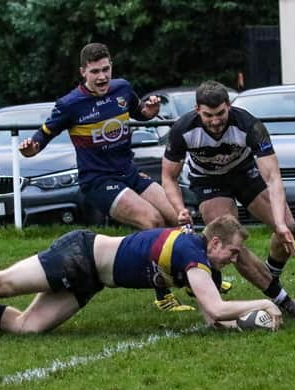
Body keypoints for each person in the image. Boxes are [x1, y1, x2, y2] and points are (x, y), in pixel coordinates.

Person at [19, 42, 190, 312]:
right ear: (83, 73)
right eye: (95, 71)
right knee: (152, 220)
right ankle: (162, 294)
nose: (102, 77)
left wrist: (150, 112)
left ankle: (195, 276)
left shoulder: (122, 88)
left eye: (106, 69)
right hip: (98, 181)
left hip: (129, 172)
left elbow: (139, 113)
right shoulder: (69, 104)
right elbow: (42, 137)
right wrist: (31, 149)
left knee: (178, 216)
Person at [0, 215, 282, 333]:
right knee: (0, 284)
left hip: (93, 280)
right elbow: (216, 308)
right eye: (233, 253)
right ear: (215, 242)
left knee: (27, 328)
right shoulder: (191, 253)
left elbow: (214, 320)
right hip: (79, 255)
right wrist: (264, 305)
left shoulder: (204, 268)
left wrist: (253, 325)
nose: (234, 260)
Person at [161, 80, 295, 318]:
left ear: (228, 106)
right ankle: (283, 300)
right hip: (209, 182)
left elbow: (273, 177)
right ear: (197, 110)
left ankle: (269, 274)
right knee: (232, 244)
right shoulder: (183, 130)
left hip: (245, 175)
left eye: (220, 113)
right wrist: (179, 209)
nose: (216, 121)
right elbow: (168, 177)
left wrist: (280, 223)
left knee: (288, 226)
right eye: (208, 115)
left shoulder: (249, 125)